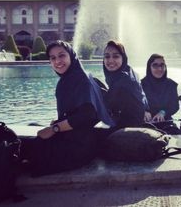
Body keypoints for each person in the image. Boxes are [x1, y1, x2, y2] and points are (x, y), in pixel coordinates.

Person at [20, 41, 107, 176]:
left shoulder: (80, 79)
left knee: (22, 146)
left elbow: (87, 116)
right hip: (74, 139)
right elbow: (76, 111)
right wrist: (59, 122)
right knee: (31, 129)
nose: (57, 61)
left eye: (62, 56)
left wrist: (55, 128)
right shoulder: (70, 78)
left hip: (78, 148)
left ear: (71, 56)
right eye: (53, 58)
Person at [102, 40, 148, 129]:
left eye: (116, 56)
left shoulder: (124, 79)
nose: (110, 60)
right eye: (107, 56)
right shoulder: (128, 72)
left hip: (127, 130)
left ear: (123, 58)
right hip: (124, 124)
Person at [141, 54, 180, 123]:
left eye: (162, 65)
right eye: (155, 65)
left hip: (165, 121)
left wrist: (163, 112)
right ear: (149, 67)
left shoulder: (171, 84)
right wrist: (143, 111)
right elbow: (135, 104)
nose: (159, 69)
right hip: (146, 122)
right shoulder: (141, 85)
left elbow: (175, 106)